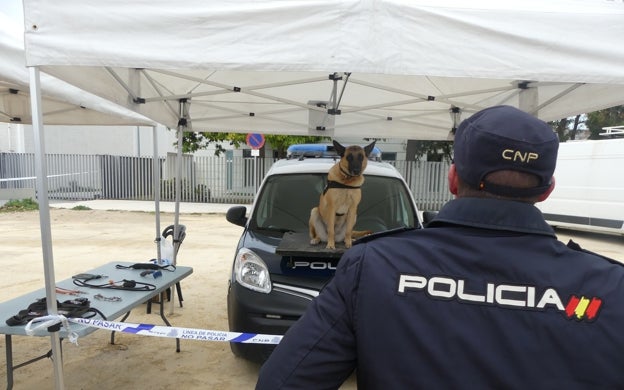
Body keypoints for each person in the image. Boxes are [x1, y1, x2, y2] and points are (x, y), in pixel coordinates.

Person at [255, 105, 624, 389]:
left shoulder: (374, 266)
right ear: (547, 189)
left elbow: (282, 383)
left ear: (452, 178)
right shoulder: (610, 288)